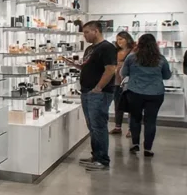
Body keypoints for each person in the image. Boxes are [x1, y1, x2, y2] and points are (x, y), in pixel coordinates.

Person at [61, 20, 117, 172]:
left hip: (98, 93)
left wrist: (98, 87)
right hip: (87, 91)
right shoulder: (90, 49)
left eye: (86, 32)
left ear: (96, 31)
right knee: (92, 126)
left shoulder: (107, 48)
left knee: (98, 126)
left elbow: (111, 69)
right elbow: (86, 67)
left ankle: (102, 160)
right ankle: (96, 156)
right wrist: (74, 65)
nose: (84, 35)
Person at [121, 34, 172, 157]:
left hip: (135, 92)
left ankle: (135, 144)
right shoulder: (161, 59)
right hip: (155, 93)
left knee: (135, 118)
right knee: (151, 121)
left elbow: (124, 73)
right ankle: (148, 148)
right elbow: (167, 75)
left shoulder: (132, 58)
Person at [110, 31, 135, 136]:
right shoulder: (115, 51)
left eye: (121, 39)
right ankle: (117, 126)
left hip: (129, 82)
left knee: (131, 106)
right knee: (118, 104)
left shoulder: (133, 51)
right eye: (117, 39)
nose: (118, 41)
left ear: (127, 39)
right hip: (116, 81)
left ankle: (131, 129)